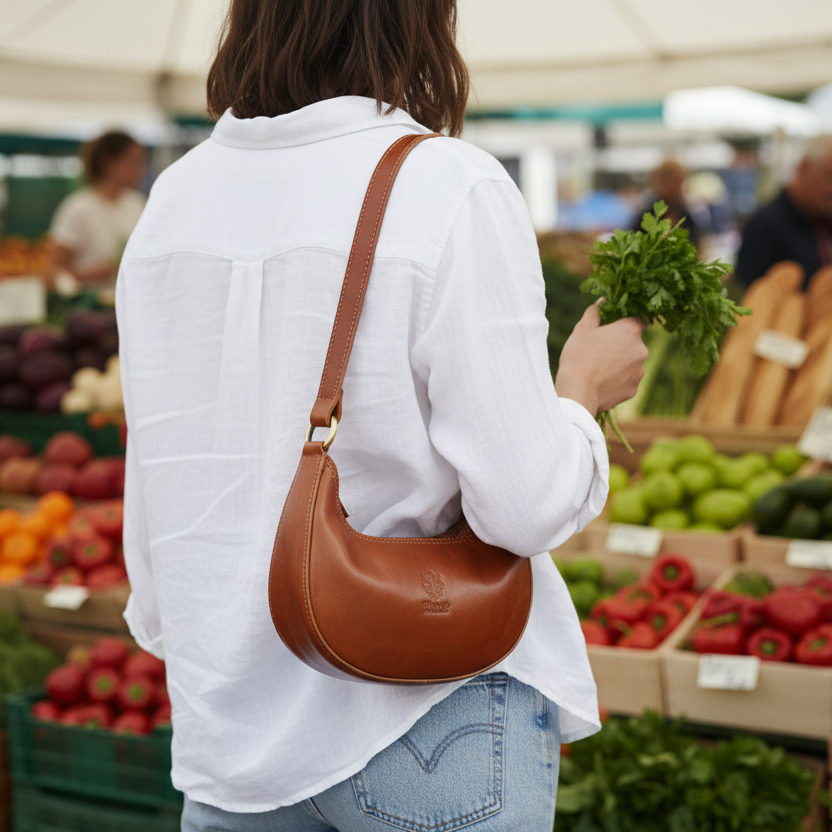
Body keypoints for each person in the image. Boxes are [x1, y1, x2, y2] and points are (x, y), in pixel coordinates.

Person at [115, 2, 648, 830]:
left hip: (230, 735)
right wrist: (580, 396)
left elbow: (158, 498)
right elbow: (525, 504)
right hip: (426, 709)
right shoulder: (446, 184)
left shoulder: (172, 201)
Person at [49, 130, 146, 288]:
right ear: (108, 162)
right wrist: (96, 272)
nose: (140, 168)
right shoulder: (78, 209)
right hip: (90, 308)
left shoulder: (137, 204)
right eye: (133, 160)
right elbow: (54, 273)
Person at [735, 135, 832, 288]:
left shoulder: (823, 221)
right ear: (804, 168)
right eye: (829, 177)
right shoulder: (765, 225)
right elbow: (751, 299)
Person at [630, 159, 702, 249]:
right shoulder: (646, 216)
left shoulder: (688, 216)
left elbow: (697, 245)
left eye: (676, 181)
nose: (672, 186)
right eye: (667, 181)